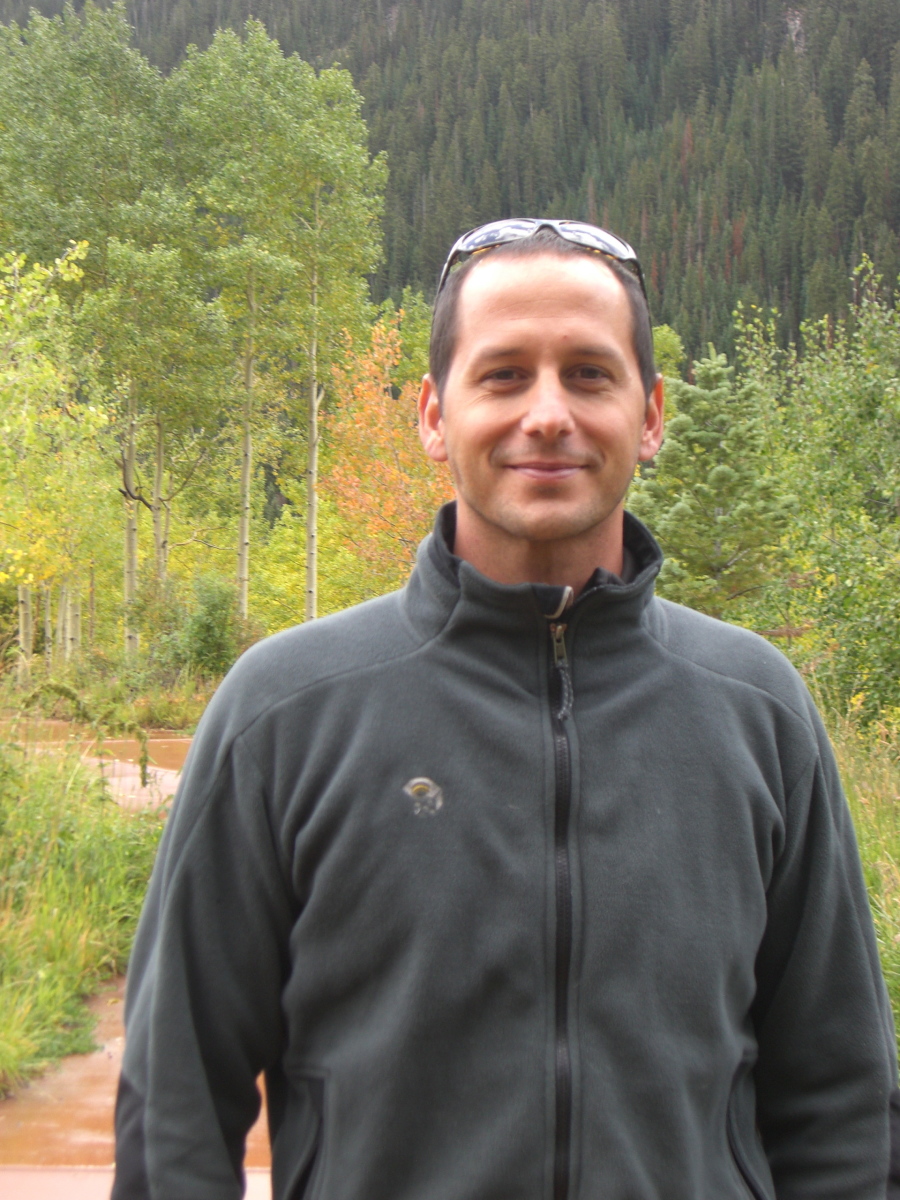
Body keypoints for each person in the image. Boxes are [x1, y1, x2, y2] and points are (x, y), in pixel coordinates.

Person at [113, 219, 897, 1200]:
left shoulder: (758, 714)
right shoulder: (284, 714)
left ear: (651, 416)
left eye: (590, 374)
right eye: (504, 375)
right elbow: (177, 1107)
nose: (548, 414)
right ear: (434, 416)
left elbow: (841, 1104)